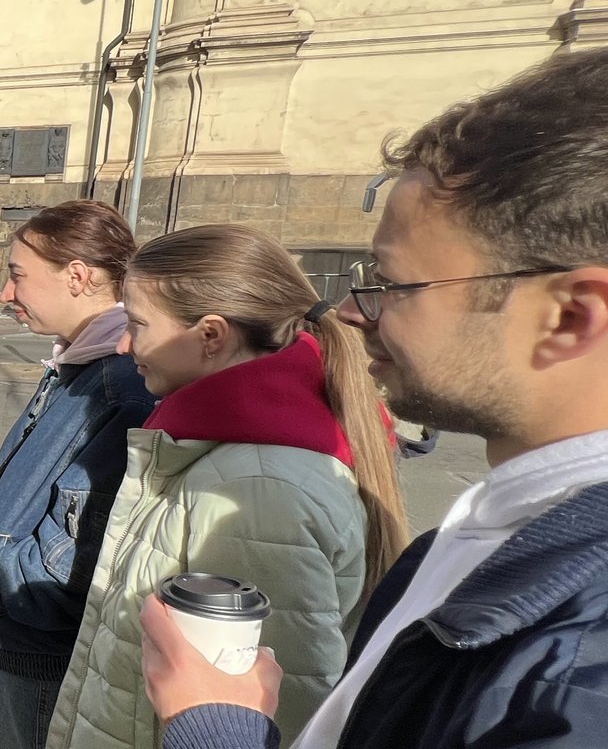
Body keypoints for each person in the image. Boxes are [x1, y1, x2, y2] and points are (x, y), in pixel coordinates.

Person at [144, 46, 608, 749]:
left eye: (395, 284)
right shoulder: (497, 532)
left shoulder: (580, 667)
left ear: (570, 318)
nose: (355, 314)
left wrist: (214, 728)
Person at [45, 224, 405, 749]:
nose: (124, 345)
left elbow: (282, 714)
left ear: (211, 335)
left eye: (138, 324)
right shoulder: (228, 455)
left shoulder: (256, 489)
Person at [0, 200, 157, 749]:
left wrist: (3, 582)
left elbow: (84, 546)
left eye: (18, 275)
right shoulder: (84, 363)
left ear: (77, 276)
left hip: (47, 653)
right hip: (29, 645)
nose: (5, 293)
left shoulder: (120, 383)